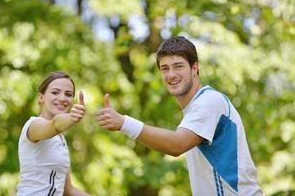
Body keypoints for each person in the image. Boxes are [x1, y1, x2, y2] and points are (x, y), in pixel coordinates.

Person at [96, 36, 263, 195]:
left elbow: (177, 145)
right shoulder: (195, 108)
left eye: (178, 66)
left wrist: (124, 123)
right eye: (165, 68)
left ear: (195, 68)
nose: (171, 75)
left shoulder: (209, 101)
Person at [17, 71, 89, 196]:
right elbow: (54, 125)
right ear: (41, 97)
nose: (62, 98)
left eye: (68, 94)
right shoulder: (33, 126)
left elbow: (68, 190)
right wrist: (71, 117)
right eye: (55, 92)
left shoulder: (60, 139)